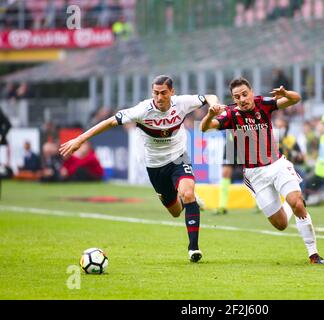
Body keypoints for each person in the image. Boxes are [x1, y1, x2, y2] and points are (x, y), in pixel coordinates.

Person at [60, 75, 219, 263]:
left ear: (172, 92)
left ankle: (193, 248)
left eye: (164, 93)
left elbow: (209, 96)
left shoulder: (182, 103)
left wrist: (215, 104)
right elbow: (110, 122)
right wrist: (80, 139)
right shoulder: (143, 110)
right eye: (156, 93)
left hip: (179, 158)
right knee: (176, 212)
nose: (159, 98)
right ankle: (188, 201)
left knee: (187, 192)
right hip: (155, 165)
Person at [200, 77, 324, 264]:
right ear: (233, 99)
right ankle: (291, 202)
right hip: (255, 175)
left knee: (297, 203)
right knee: (281, 224)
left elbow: (295, 99)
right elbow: (204, 128)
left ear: (251, 92)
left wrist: (285, 94)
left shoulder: (263, 103)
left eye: (245, 94)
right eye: (237, 97)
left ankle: (313, 253)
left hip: (277, 165)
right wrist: (210, 114)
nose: (242, 99)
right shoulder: (230, 114)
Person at [304, 113, 324, 199]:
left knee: (308, 182)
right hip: (319, 168)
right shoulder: (321, 136)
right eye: (323, 124)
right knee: (307, 182)